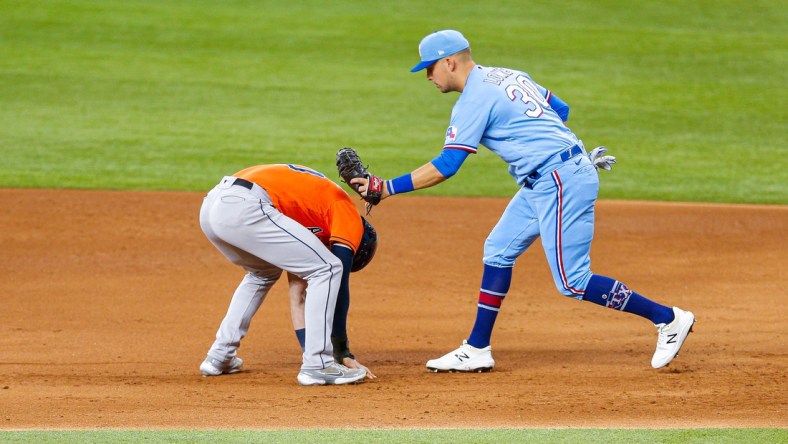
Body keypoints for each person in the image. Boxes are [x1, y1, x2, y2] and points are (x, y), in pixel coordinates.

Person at [352, 30, 694, 371]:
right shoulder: (507, 74)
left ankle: (667, 319)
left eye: (430, 68)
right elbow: (560, 109)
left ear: (450, 62)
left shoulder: (473, 100)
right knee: (498, 250)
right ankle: (477, 348)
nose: (428, 76)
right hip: (551, 177)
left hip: (558, 180)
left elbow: (447, 166)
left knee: (573, 281)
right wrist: (558, 151)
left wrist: (385, 188)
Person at [198, 163, 379, 385]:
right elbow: (337, 279)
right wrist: (342, 352)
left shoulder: (312, 216)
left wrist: (307, 347)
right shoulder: (348, 215)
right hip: (246, 205)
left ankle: (219, 356)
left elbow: (298, 292)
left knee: (262, 273)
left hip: (213, 205)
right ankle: (318, 365)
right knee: (328, 268)